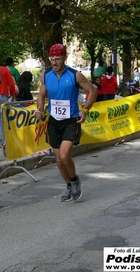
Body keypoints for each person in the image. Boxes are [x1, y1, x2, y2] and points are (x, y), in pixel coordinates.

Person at [35, 43, 97, 202]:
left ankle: (75, 180)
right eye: (52, 59)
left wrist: (85, 110)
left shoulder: (75, 75)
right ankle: (69, 185)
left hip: (71, 120)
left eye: (58, 59)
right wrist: (40, 109)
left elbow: (93, 91)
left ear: (65, 58)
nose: (54, 62)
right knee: (58, 160)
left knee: (64, 156)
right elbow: (41, 95)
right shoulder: (46, 76)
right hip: (54, 121)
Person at [0, 52, 16, 148]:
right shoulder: (5, 70)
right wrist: (13, 96)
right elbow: (11, 84)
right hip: (3, 96)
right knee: (3, 121)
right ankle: (3, 141)